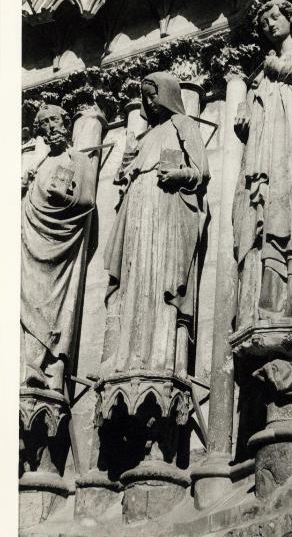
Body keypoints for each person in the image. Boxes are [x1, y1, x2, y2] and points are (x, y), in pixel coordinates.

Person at [102, 72, 209, 378]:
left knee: (160, 276)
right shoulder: (145, 137)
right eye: (146, 97)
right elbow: (126, 176)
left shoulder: (184, 124)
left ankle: (161, 356)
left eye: (154, 94)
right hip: (138, 210)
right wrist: (126, 170)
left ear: (168, 95)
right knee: (135, 278)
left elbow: (201, 172)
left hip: (166, 209)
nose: (149, 102)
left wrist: (179, 175)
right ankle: (127, 354)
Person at [233, 0, 292, 329]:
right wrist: (245, 109)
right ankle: (268, 297)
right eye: (264, 23)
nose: (270, 25)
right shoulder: (262, 70)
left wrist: (278, 70)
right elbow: (256, 100)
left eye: (276, 17)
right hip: (264, 149)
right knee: (267, 211)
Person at [21, 104, 96, 392]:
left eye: (54, 121)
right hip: (31, 244)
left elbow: (87, 201)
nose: (51, 127)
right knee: (25, 301)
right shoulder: (39, 165)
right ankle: (28, 367)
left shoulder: (78, 159)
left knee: (51, 306)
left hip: (60, 247)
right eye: (44, 125)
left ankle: (50, 369)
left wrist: (63, 198)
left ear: (66, 122)